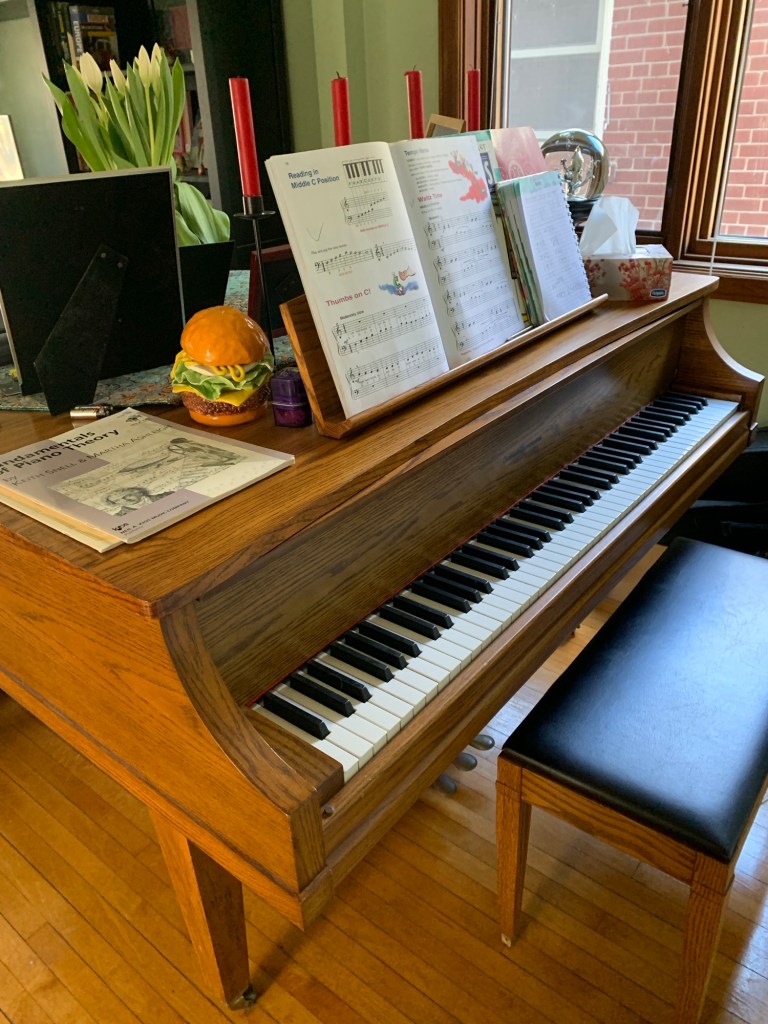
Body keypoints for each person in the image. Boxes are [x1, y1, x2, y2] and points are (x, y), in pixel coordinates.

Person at [103, 485, 174, 516]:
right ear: (114, 503)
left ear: (138, 492)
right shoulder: (119, 517)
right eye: (118, 500)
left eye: (127, 495)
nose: (125, 500)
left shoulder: (167, 496)